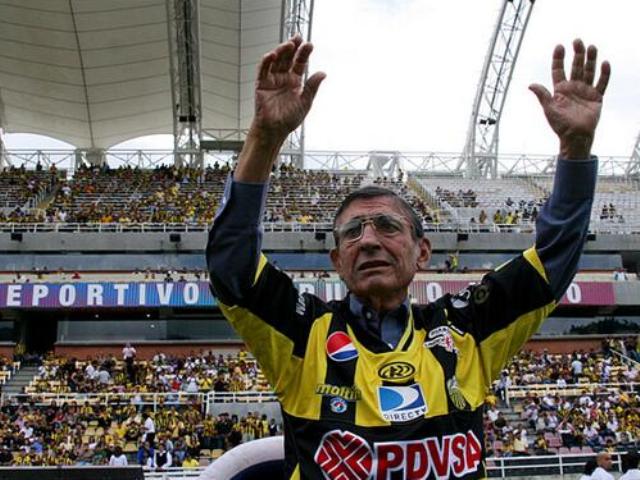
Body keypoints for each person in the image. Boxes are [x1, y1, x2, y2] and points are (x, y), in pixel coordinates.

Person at [206, 35, 610, 479]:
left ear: (422, 252)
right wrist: (264, 137)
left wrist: (575, 152)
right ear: (336, 261)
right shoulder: (303, 334)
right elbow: (233, 267)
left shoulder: (467, 329)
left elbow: (552, 262)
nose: (369, 240)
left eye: (387, 225)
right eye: (353, 232)